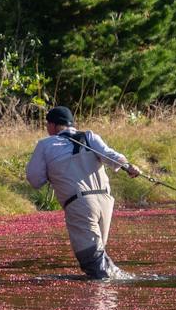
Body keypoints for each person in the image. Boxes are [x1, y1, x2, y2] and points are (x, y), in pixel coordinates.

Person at [25, 106, 141, 280]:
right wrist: (128, 166)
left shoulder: (45, 145)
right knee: (99, 258)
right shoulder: (89, 136)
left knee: (93, 263)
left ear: (53, 125)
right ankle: (121, 284)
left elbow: (35, 179)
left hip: (80, 204)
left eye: (47, 124)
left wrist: (52, 173)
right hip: (105, 202)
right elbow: (110, 155)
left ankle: (108, 298)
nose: (47, 128)